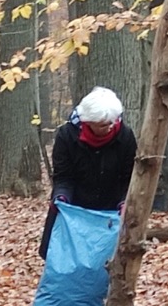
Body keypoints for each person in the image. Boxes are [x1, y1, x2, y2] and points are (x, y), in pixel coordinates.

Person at [40, 86, 137, 258]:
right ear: (88, 122)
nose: (109, 127)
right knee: (64, 258)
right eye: (102, 125)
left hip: (110, 213)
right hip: (76, 209)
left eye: (112, 122)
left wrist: (125, 202)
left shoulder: (125, 136)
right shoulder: (66, 136)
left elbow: (129, 177)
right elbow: (63, 176)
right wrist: (61, 197)